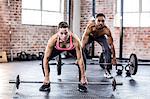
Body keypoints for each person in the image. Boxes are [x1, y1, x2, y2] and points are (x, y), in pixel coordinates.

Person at [39, 21, 88, 92]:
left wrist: (83, 76)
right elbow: (46, 59)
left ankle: (81, 84)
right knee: (44, 58)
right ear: (58, 33)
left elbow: (80, 59)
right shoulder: (53, 40)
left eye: (66, 33)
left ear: (69, 32)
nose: (64, 36)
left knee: (83, 59)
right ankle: (46, 84)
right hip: (57, 49)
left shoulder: (75, 40)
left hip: (72, 49)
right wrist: (46, 77)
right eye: (61, 33)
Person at [81, 13, 117, 78]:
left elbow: (111, 45)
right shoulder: (90, 27)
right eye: (99, 21)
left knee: (107, 49)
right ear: (95, 21)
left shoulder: (106, 30)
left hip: (100, 36)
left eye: (103, 21)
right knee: (84, 50)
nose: (101, 23)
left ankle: (107, 71)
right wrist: (79, 57)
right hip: (90, 36)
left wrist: (114, 58)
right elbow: (83, 43)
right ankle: (82, 72)